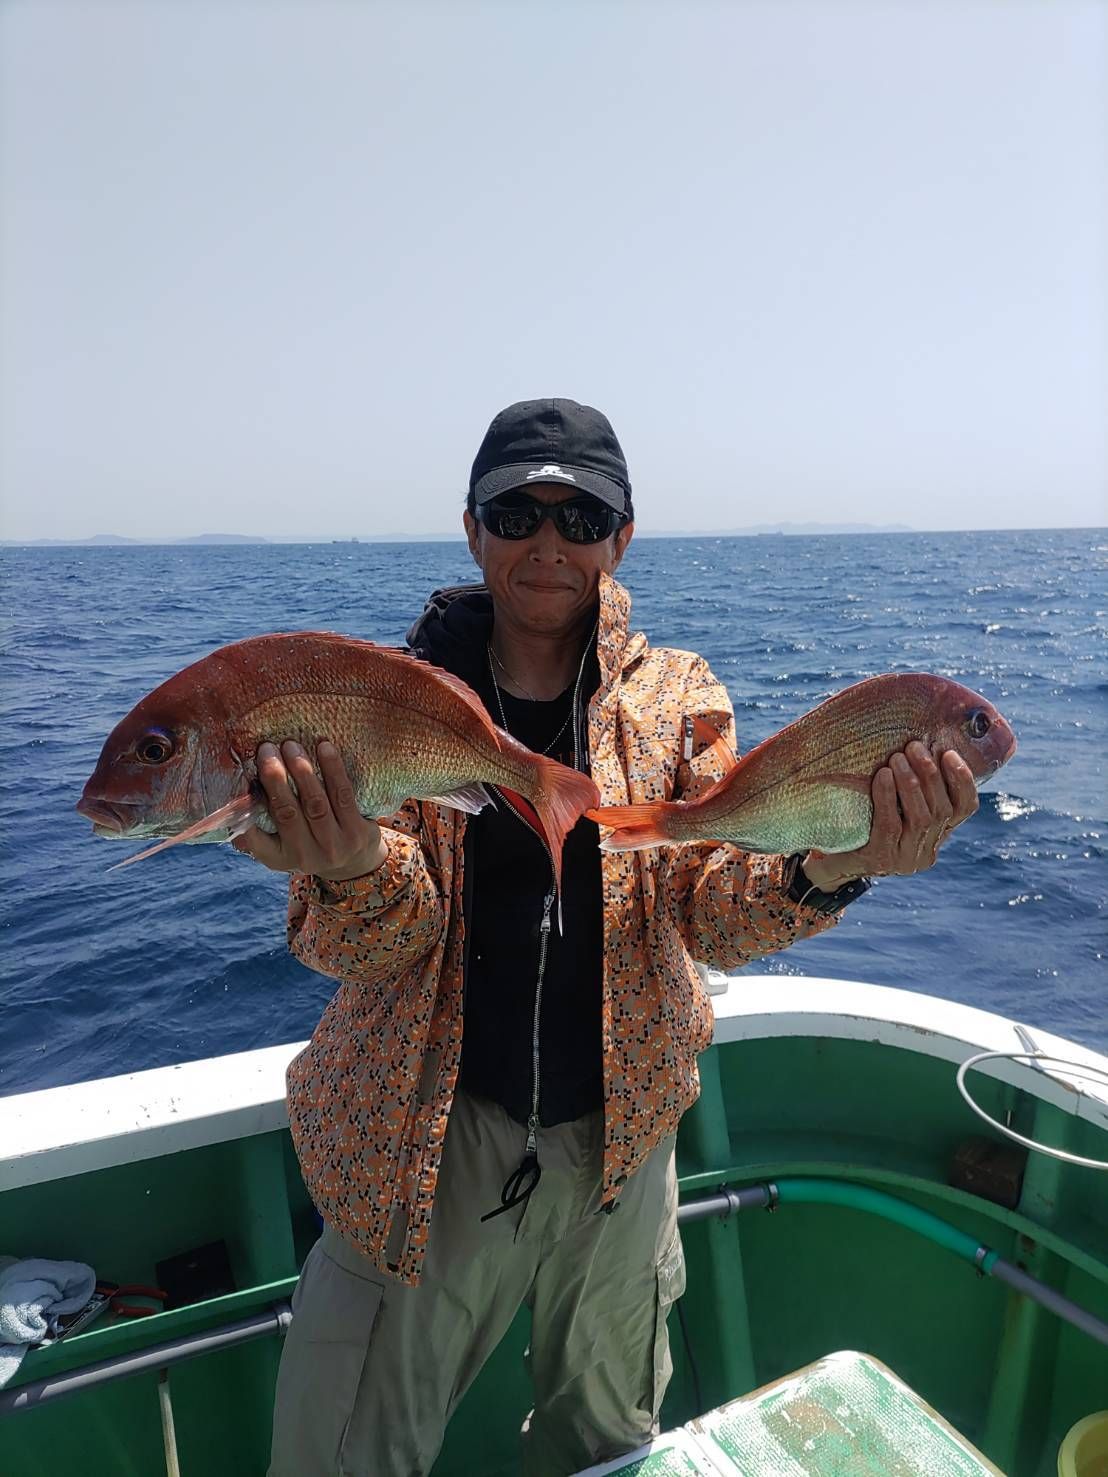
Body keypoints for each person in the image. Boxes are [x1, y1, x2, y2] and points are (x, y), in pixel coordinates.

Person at [235, 399, 979, 1477]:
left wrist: (835, 864)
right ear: (471, 529)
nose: (548, 541)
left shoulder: (679, 697)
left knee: (606, 1447)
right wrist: (346, 863)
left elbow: (708, 909)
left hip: (623, 1149)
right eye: (516, 513)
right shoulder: (383, 699)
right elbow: (373, 946)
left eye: (581, 518)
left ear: (621, 538)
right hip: (422, 1141)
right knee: (344, 1456)